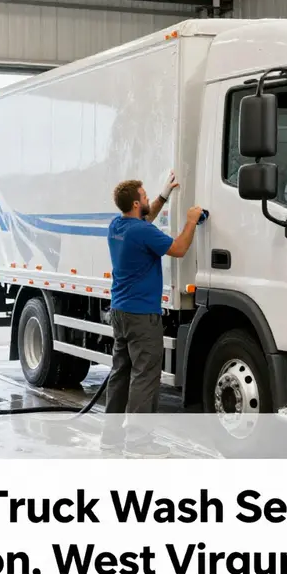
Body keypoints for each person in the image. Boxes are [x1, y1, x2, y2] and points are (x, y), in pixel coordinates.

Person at [102, 173, 202, 457]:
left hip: (120, 312)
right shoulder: (142, 232)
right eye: (144, 197)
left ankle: (111, 438)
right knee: (144, 377)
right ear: (136, 203)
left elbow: (144, 219)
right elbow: (179, 249)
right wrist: (192, 220)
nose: (147, 200)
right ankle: (138, 443)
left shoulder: (118, 225)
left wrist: (163, 195)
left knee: (120, 375)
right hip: (142, 316)